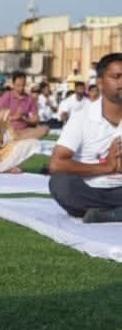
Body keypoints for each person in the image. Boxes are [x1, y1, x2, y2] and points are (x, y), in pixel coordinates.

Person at [48, 53, 122, 223]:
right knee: (60, 183)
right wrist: (107, 167)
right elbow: (56, 164)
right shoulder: (82, 117)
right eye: (116, 77)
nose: (121, 82)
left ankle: (108, 214)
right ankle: (115, 212)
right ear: (100, 82)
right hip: (90, 188)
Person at [0, 72, 48, 139]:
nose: (21, 88)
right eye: (18, 85)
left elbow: (36, 119)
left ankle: (18, 138)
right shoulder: (7, 96)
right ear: (13, 85)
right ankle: (15, 138)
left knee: (45, 129)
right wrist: (15, 117)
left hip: (24, 130)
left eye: (23, 85)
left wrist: (24, 119)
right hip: (8, 130)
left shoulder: (29, 98)